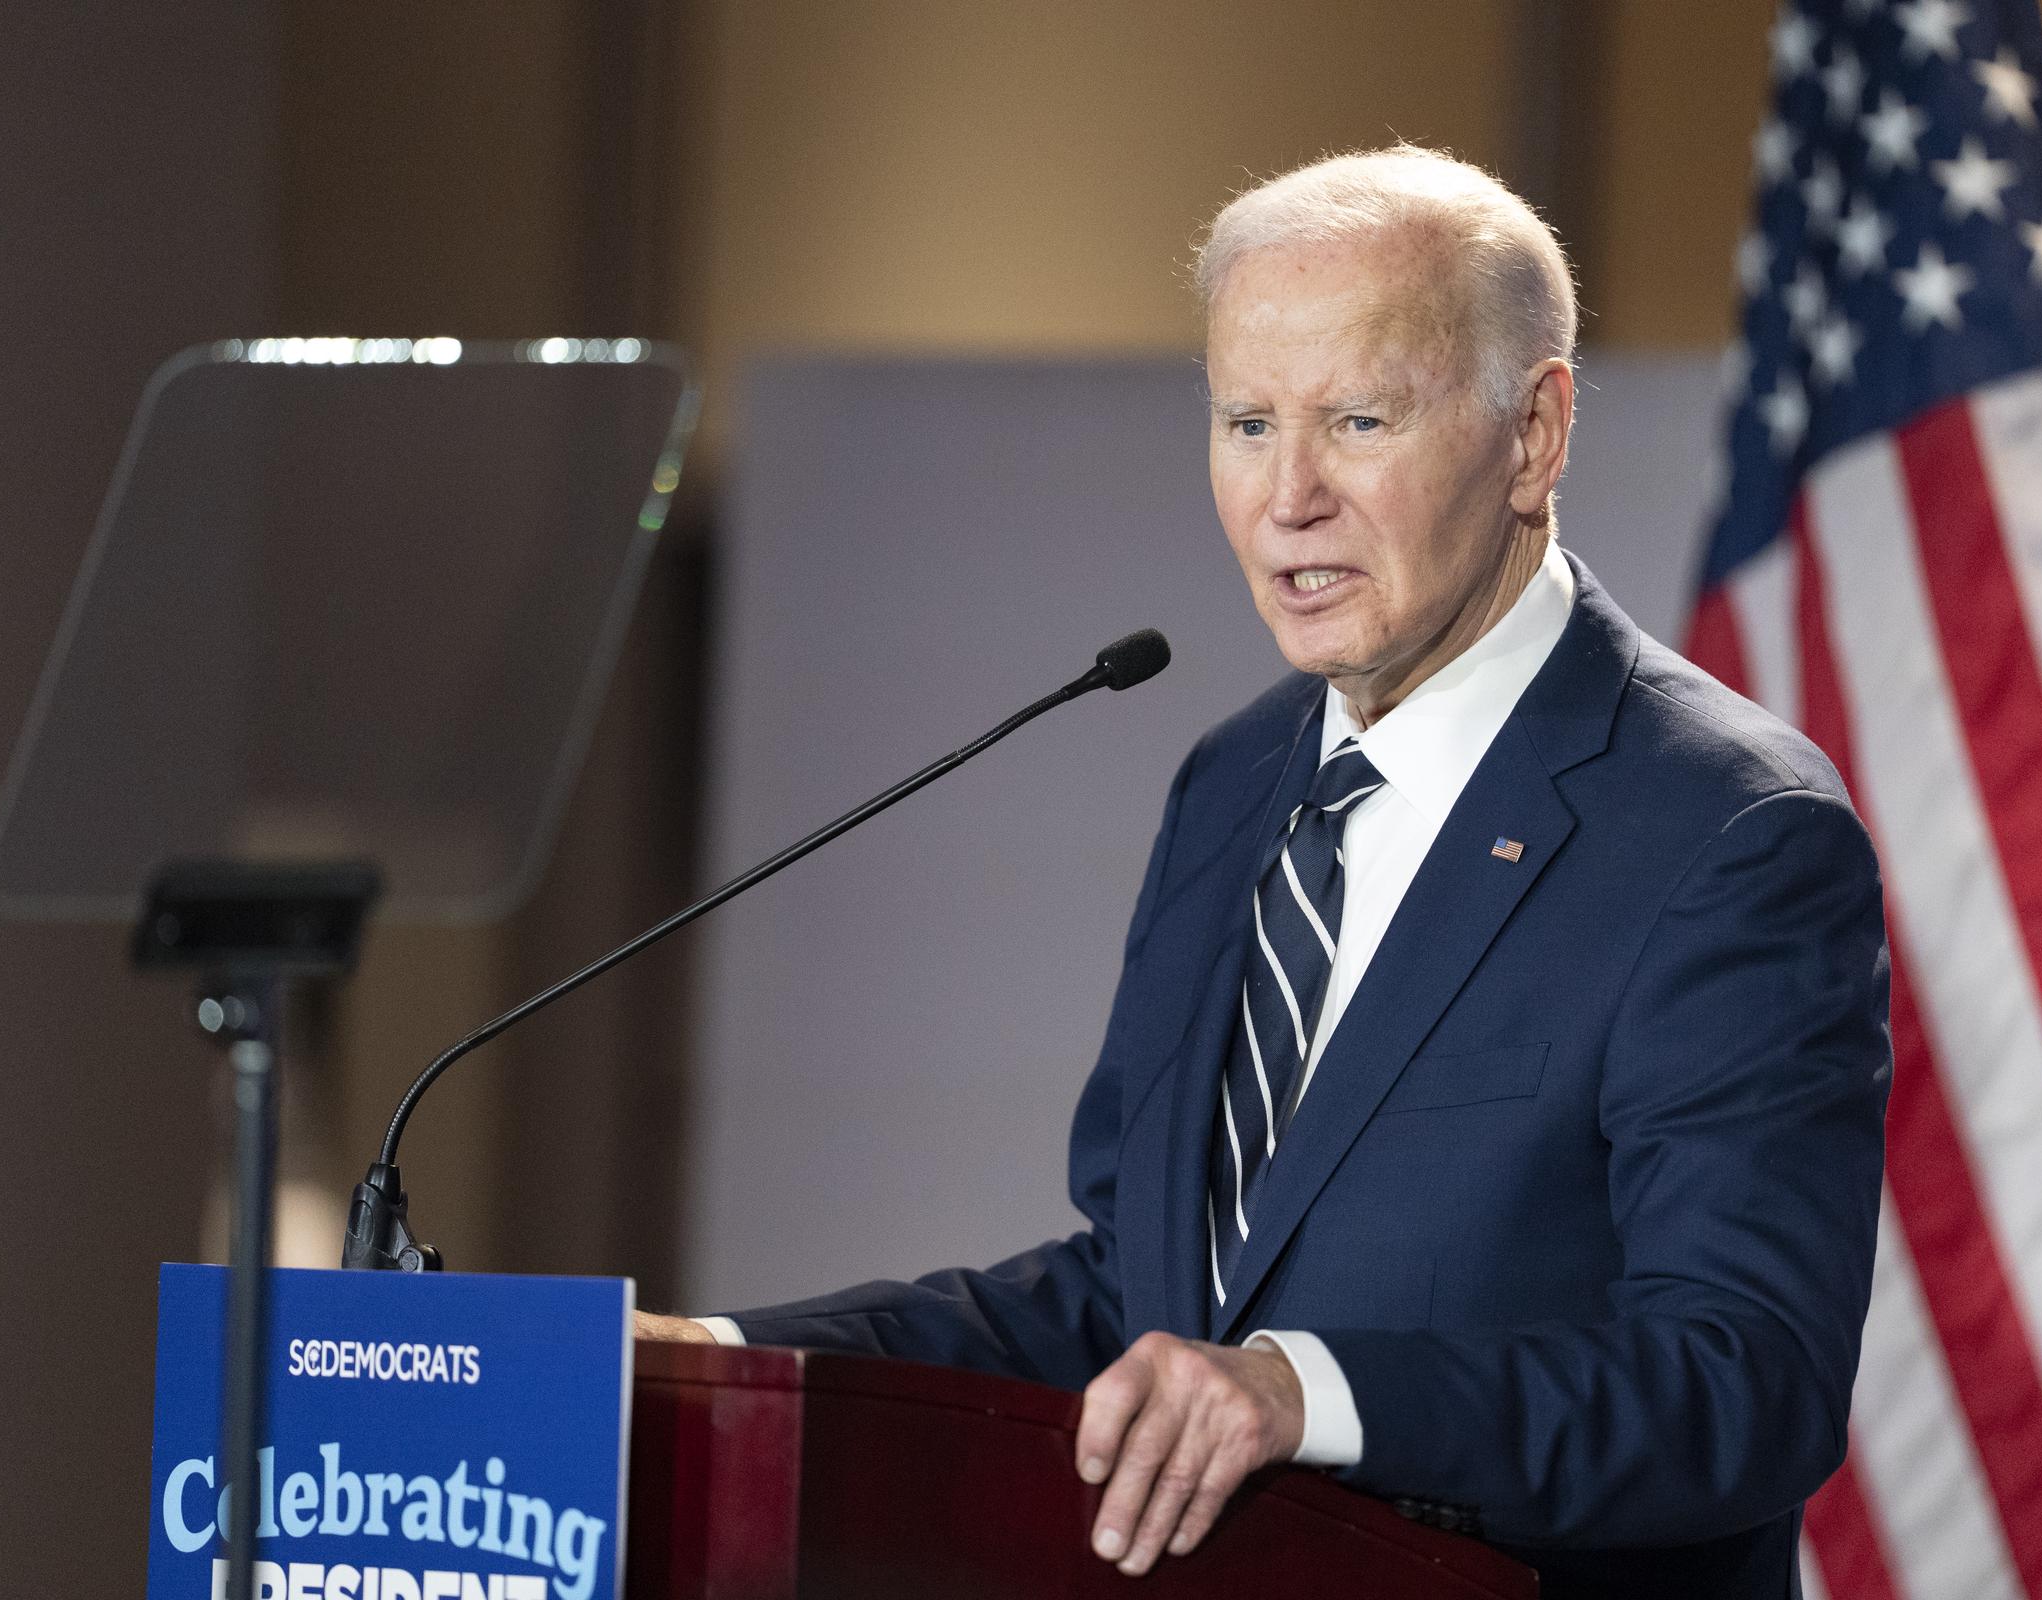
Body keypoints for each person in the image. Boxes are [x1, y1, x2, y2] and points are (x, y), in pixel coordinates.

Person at [639, 144, 1891, 1599]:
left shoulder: (1725, 833)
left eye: (1358, 419)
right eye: (1246, 422)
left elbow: (1740, 1384)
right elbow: (1135, 1302)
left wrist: (1309, 1394)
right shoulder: (1235, 785)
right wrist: (723, 1364)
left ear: (1535, 435)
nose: (1287, 496)